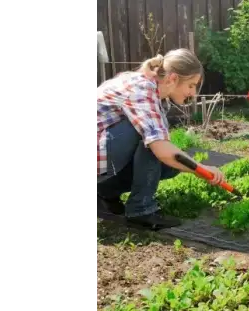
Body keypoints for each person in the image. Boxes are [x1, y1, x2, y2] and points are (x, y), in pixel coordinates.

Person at [91, 48, 226, 229]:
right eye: (191, 85)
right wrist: (201, 169)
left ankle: (103, 191)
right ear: (173, 79)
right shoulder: (142, 90)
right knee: (154, 143)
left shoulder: (153, 90)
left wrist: (192, 166)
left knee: (171, 164)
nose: (193, 93)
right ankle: (141, 210)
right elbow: (160, 148)